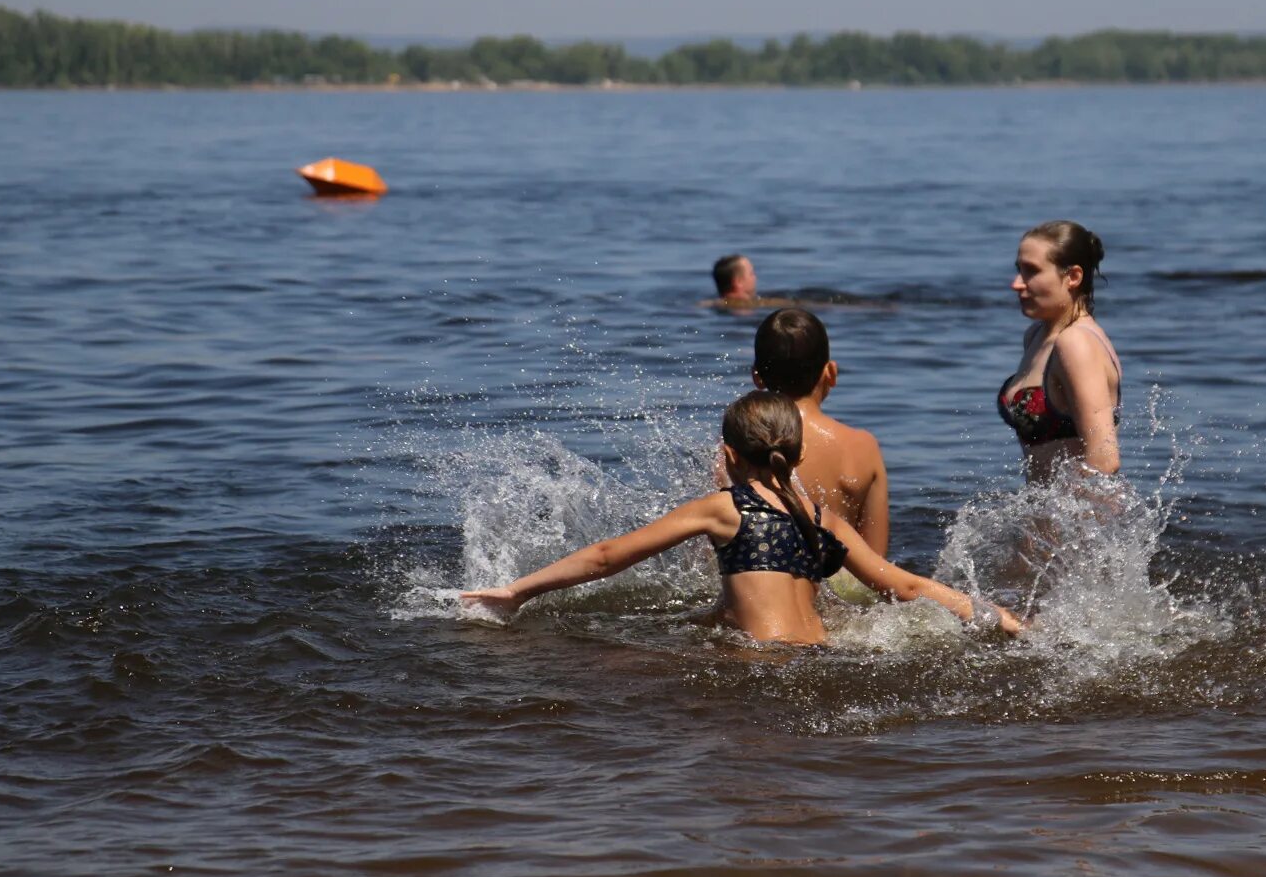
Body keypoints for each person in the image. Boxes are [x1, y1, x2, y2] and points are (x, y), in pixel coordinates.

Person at [461, 391, 1021, 644]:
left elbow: (608, 556)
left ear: (727, 455)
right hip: (818, 657)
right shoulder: (824, 518)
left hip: (764, 668)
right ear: (798, 457)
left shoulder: (724, 507)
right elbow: (906, 585)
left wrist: (517, 592)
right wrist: (1002, 619)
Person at [750, 309, 890, 556]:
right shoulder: (863, 447)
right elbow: (876, 561)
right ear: (831, 373)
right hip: (843, 586)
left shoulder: (737, 446)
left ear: (757, 377)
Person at [999, 220, 1123, 482]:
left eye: (1031, 271)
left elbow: (1104, 459)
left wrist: (1072, 522)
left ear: (1073, 277)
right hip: (1046, 520)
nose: (1016, 284)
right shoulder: (1036, 336)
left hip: (1086, 522)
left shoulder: (1076, 343)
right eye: (1018, 270)